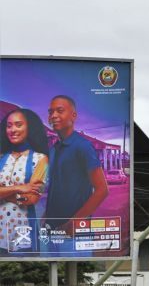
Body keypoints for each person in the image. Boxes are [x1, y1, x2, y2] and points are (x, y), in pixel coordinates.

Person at [44, 95, 108, 236]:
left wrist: (74, 222)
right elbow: (56, 188)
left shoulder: (83, 146)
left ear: (73, 116)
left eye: (60, 111)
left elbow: (102, 189)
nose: (53, 116)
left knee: (79, 260)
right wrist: (45, 216)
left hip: (75, 234)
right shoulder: (53, 149)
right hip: (52, 231)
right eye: (50, 112)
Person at [0, 108, 49, 253]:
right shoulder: (1, 157)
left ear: (30, 128)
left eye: (18, 125)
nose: (12, 130)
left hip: (23, 235)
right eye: (9, 126)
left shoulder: (41, 160)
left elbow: (31, 198)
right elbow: (24, 194)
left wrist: (3, 191)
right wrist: (18, 188)